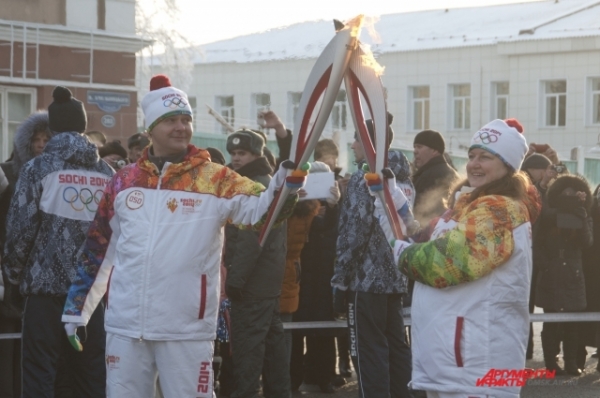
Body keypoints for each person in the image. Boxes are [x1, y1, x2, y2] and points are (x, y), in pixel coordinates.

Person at [61, 75, 299, 398]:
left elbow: (263, 212)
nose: (181, 127)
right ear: (151, 129)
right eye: (171, 120)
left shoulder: (212, 178)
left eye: (186, 119)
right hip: (127, 326)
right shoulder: (124, 181)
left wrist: (286, 184)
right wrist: (78, 309)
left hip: (186, 327)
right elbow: (99, 249)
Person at [389, 119, 541, 398]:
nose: (474, 164)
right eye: (472, 156)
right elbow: (428, 237)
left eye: (486, 157)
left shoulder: (498, 210)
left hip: (476, 363)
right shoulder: (470, 206)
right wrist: (392, 205)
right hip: (456, 361)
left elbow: (447, 263)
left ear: (507, 165)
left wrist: (399, 251)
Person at [3, 87, 112, 398]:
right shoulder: (107, 172)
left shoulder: (38, 169)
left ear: (51, 128)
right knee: (91, 376)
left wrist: (13, 277)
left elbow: (20, 232)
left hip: (44, 293)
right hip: (90, 295)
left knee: (40, 374)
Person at [331, 114, 413, 398]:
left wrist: (340, 280)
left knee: (369, 352)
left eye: (356, 139)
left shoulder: (363, 177)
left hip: (364, 282)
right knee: (396, 347)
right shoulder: (402, 178)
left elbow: (354, 233)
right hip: (396, 277)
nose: (353, 145)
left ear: (369, 143)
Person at [223, 129, 291, 398]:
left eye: (242, 153)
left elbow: (250, 238)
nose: (236, 158)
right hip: (266, 283)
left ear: (256, 154)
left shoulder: (254, 185)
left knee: (247, 356)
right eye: (234, 153)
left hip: (251, 284)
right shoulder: (266, 181)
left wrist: (235, 281)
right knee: (274, 353)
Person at [0, 111, 51, 398]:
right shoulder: (7, 174)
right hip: (9, 266)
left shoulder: (59, 178)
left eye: (46, 139)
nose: (41, 145)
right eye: (36, 139)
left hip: (42, 268)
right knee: (9, 335)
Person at [535, 173, 593, 376]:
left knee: (572, 322)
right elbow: (536, 242)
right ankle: (551, 363)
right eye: (565, 194)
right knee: (551, 321)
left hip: (573, 273)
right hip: (552, 272)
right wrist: (545, 265)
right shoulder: (547, 215)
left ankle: (571, 363)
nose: (568, 197)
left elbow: (587, 243)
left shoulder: (582, 214)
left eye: (572, 194)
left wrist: (582, 214)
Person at [291, 161, 341, 393]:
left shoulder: (332, 206)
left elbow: (329, 228)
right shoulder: (299, 206)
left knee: (322, 328)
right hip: (301, 275)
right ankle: (296, 377)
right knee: (296, 330)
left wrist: (333, 206)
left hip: (322, 276)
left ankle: (322, 375)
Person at [411, 130, 460, 225]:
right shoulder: (451, 172)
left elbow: (419, 208)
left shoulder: (430, 176)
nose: (415, 151)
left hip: (428, 230)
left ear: (434, 150)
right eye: (415, 147)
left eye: (419, 147)